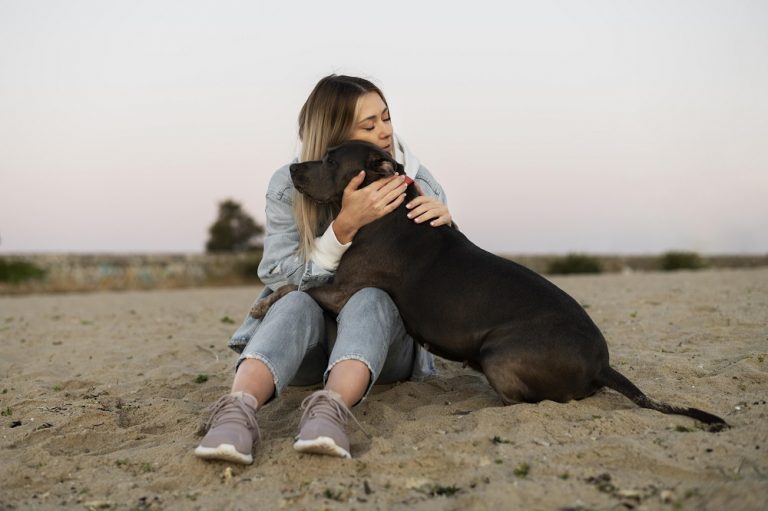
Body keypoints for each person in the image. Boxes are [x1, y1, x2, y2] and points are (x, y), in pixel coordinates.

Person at [194, 74, 453, 464]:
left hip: (382, 353)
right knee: (295, 302)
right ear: (335, 134)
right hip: (304, 353)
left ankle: (330, 411)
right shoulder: (287, 185)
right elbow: (278, 273)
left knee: (371, 297)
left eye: (386, 117)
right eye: (369, 125)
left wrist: (447, 227)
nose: (385, 131)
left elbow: (439, 279)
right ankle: (237, 409)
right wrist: (342, 228)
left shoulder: (413, 180)